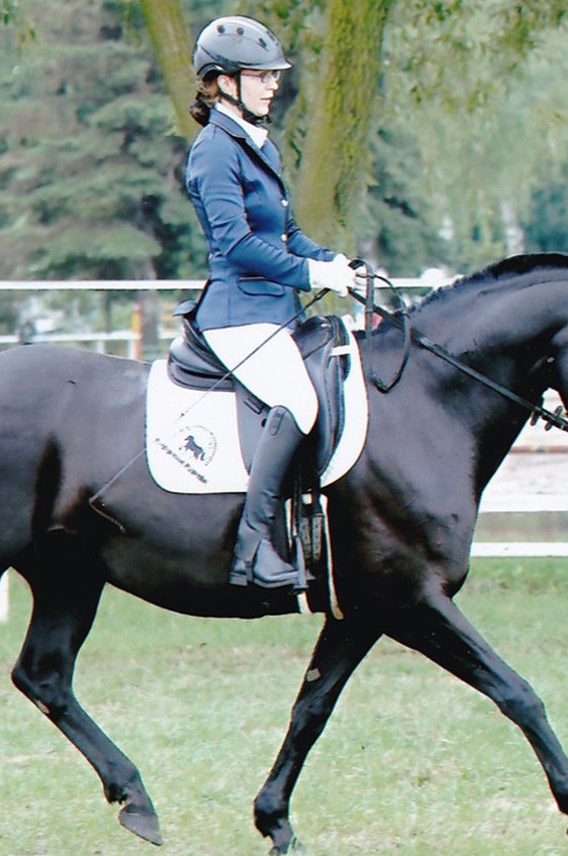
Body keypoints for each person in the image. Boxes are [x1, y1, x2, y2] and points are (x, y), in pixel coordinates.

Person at [182, 15, 359, 590]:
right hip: (238, 313)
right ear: (221, 82)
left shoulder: (259, 145)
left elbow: (287, 235)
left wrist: (337, 264)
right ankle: (252, 549)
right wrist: (311, 272)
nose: (272, 84)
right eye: (259, 75)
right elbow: (236, 243)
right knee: (298, 402)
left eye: (272, 75)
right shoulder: (214, 150)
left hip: (274, 310)